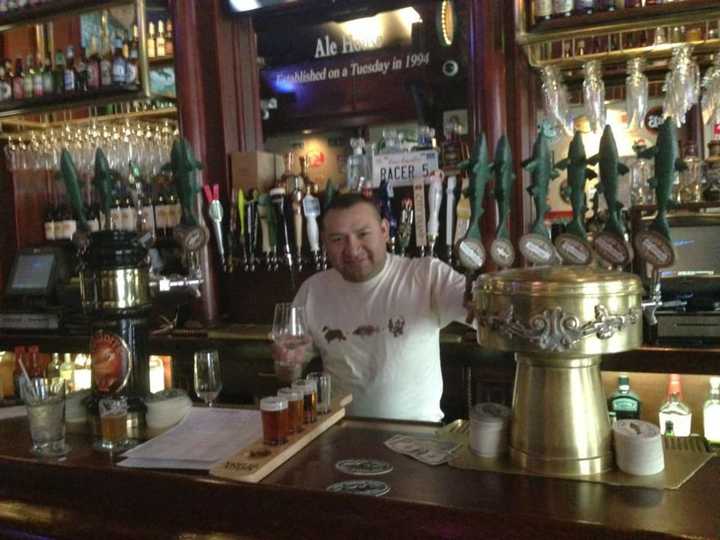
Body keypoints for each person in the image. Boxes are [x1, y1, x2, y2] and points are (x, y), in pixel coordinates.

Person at [271, 193, 472, 422]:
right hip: (342, 432)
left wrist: (487, 299)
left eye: (363, 234)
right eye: (338, 239)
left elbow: (478, 305)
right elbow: (288, 372)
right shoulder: (313, 290)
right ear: (324, 242)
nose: (352, 249)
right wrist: (288, 364)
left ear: (384, 231)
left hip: (419, 437)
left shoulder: (427, 276)